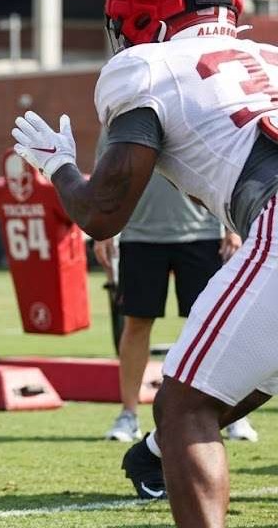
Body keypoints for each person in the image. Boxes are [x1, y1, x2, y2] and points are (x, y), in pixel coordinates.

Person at [11, 0, 278, 523]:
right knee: (251, 369)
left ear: (142, 16)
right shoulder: (270, 57)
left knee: (181, 405)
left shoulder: (149, 66)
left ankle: (161, 449)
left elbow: (103, 213)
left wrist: (59, 167)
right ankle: (155, 456)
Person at [94, 171, 255, 443]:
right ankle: (128, 415)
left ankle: (230, 415)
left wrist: (231, 229)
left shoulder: (204, 124)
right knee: (136, 324)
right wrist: (102, 229)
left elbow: (222, 171)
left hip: (201, 236)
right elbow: (107, 176)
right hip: (139, 237)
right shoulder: (114, 125)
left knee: (212, 329)